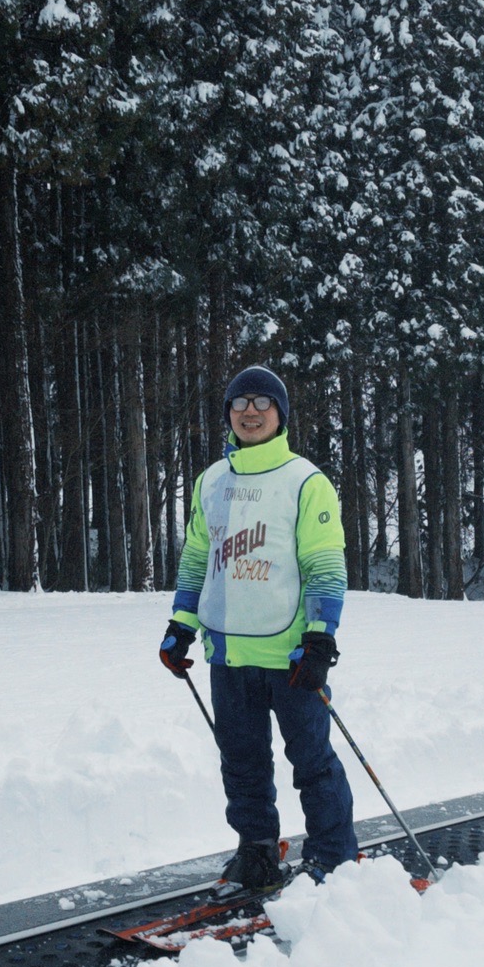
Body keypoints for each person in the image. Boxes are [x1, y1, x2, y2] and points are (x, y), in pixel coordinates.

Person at [159, 364, 357, 890]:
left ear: (280, 414)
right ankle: (258, 852)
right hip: (227, 655)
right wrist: (180, 626)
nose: (251, 410)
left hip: (290, 657)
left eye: (262, 402)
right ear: (228, 413)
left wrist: (320, 638)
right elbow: (198, 558)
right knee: (242, 767)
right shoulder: (211, 482)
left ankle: (334, 857)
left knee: (312, 763)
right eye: (240, 401)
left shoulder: (305, 481)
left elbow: (325, 566)